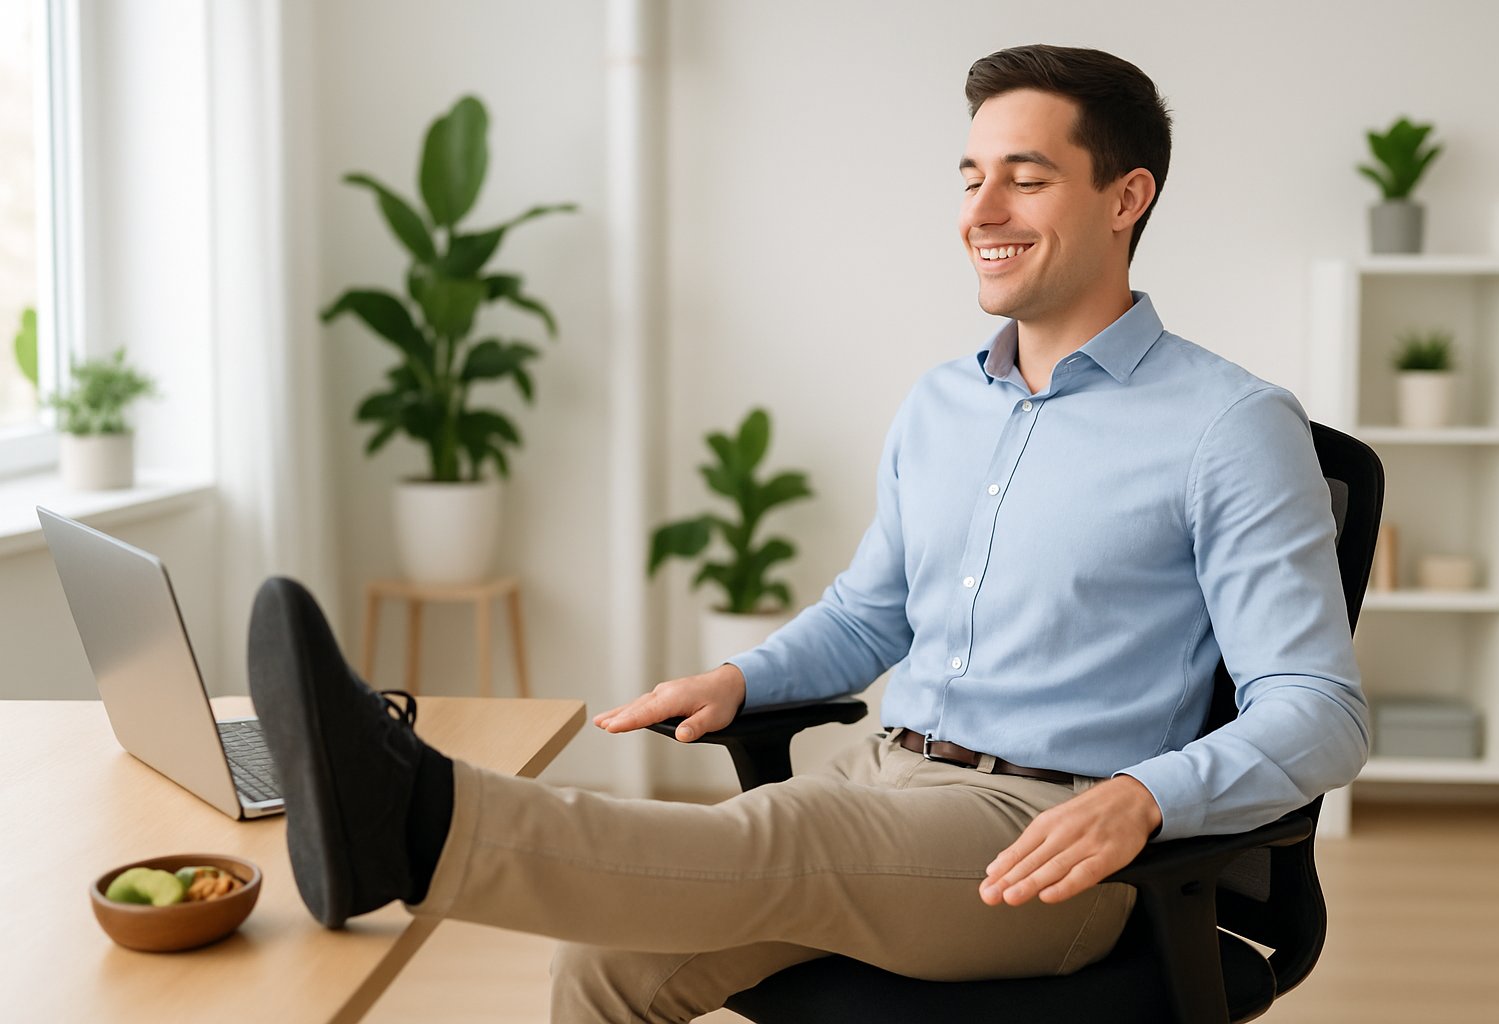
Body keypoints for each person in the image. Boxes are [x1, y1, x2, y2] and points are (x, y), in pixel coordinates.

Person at [248, 43, 1369, 1023]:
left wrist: (1149, 795)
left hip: (1048, 842)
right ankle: (409, 818)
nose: (981, 211)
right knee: (607, 964)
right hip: (883, 776)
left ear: (1127, 198)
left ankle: (415, 816)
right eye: (972, 177)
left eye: (1026, 180)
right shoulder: (942, 404)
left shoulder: (1229, 425)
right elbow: (871, 613)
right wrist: (745, 674)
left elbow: (1319, 710)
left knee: (770, 848)